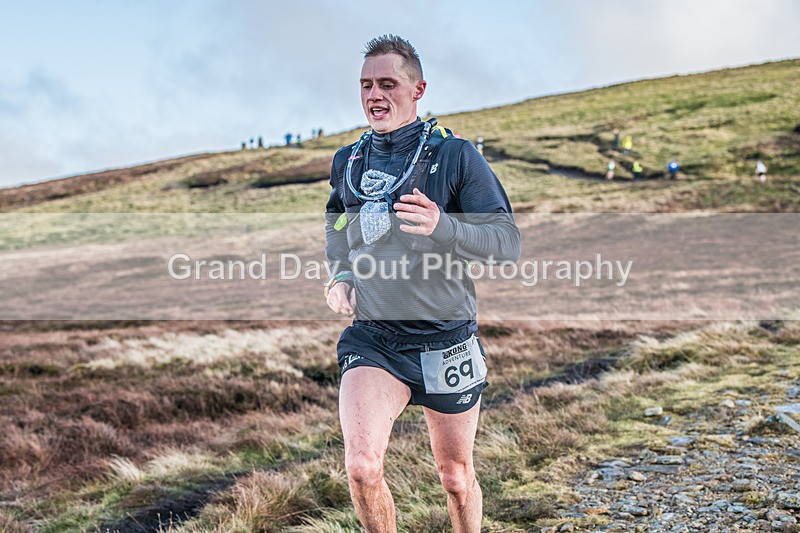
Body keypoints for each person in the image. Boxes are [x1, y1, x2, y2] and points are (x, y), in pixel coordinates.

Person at [324, 34, 520, 532]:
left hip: (446, 340)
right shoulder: (348, 162)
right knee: (362, 467)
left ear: (418, 89)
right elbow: (337, 222)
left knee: (454, 476)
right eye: (366, 85)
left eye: (388, 83)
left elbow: (506, 243)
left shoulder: (455, 156)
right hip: (376, 338)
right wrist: (341, 272)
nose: (374, 94)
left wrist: (444, 227)